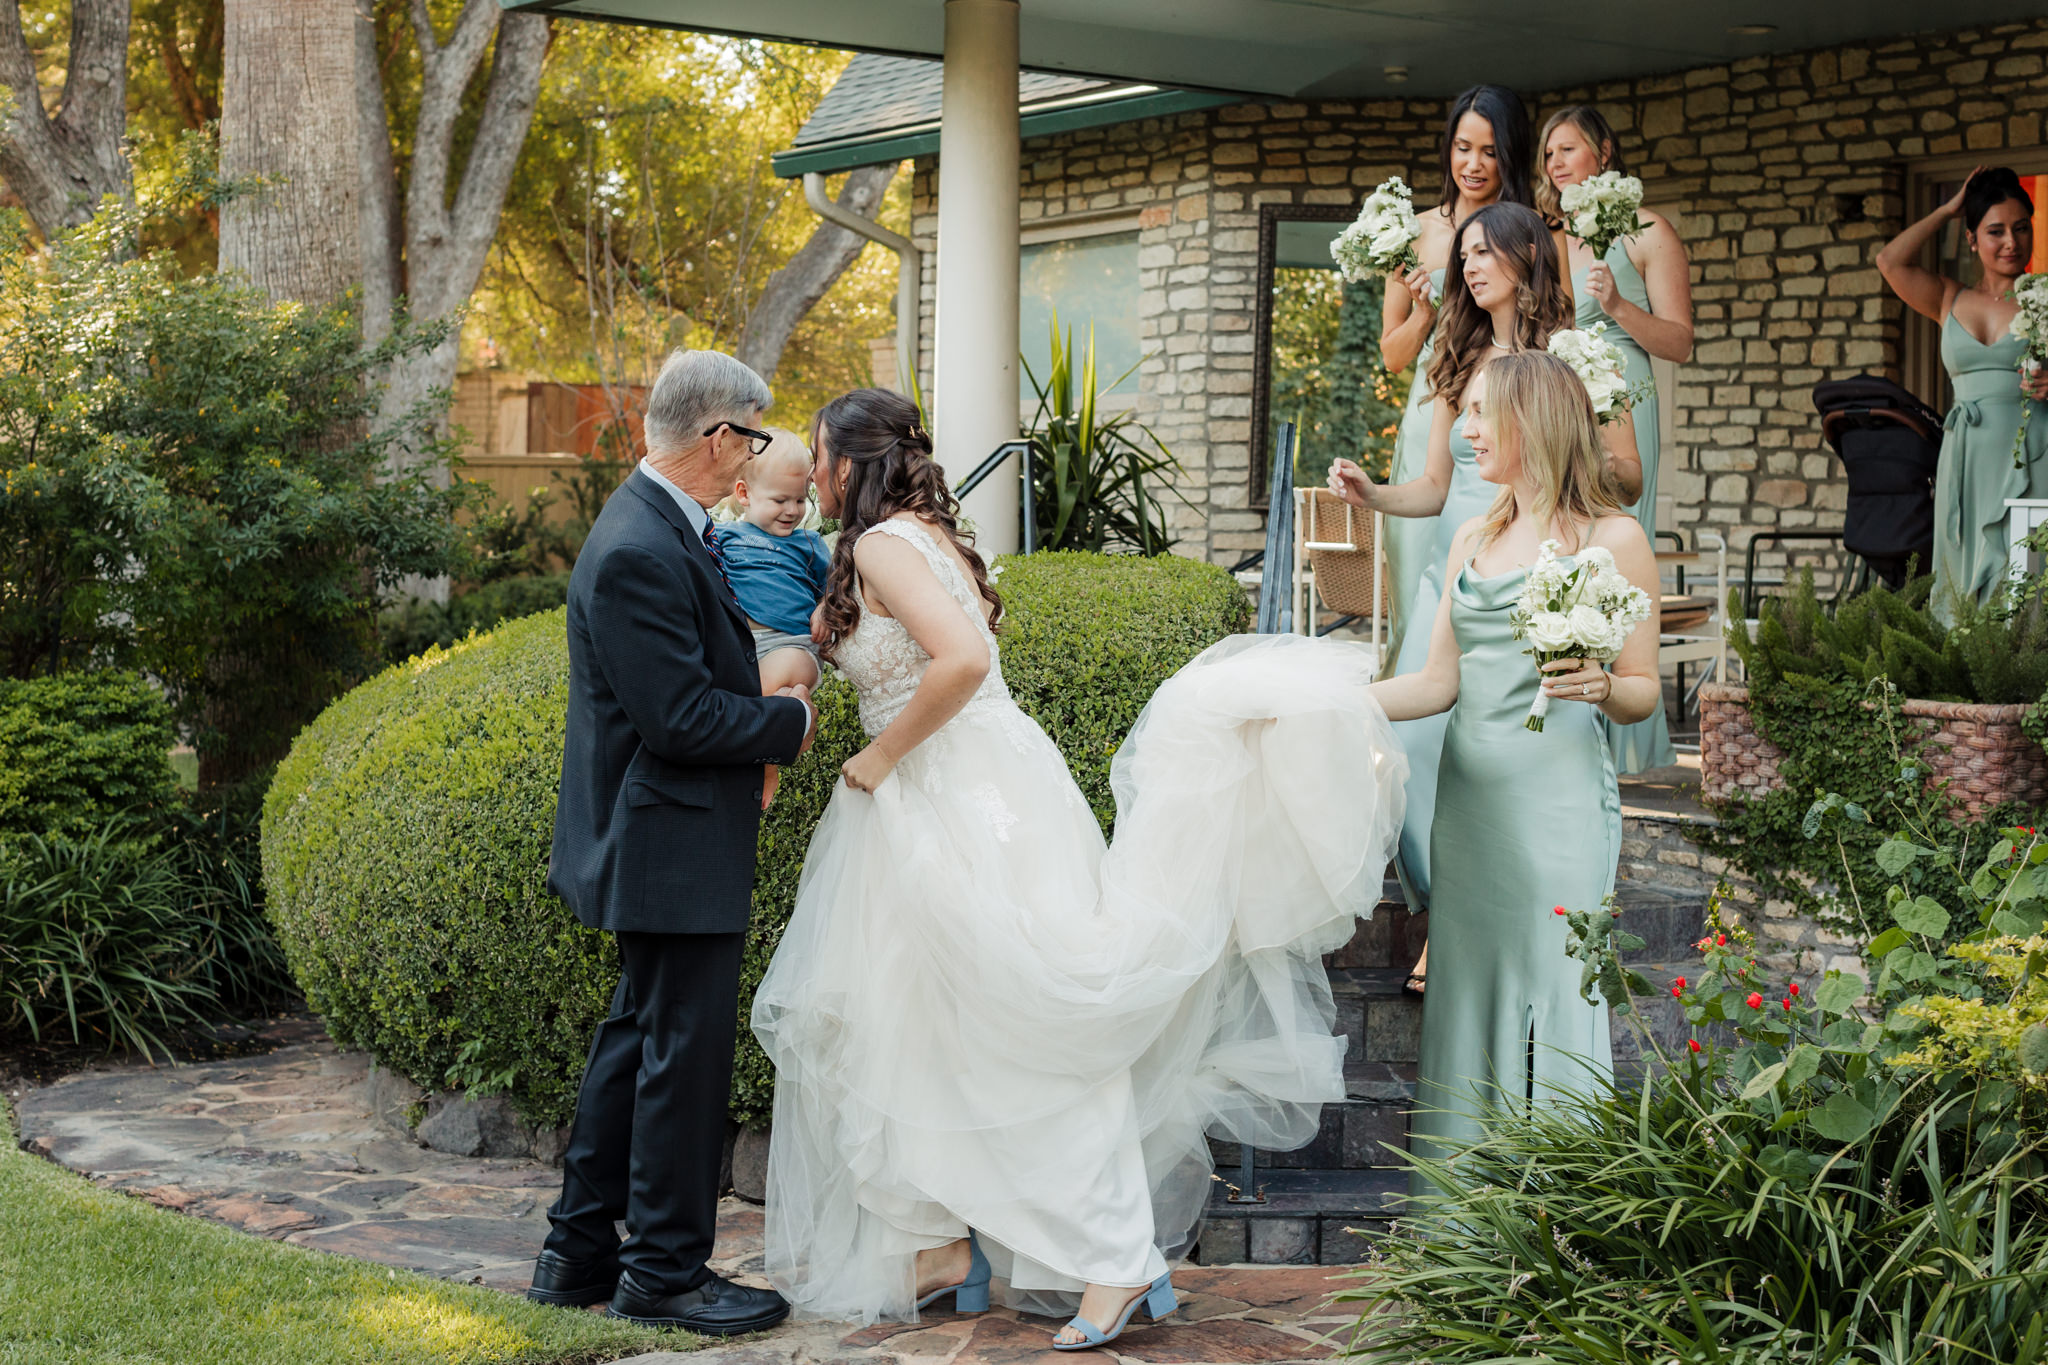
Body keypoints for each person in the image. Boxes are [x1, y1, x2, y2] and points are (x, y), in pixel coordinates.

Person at [750, 388, 1406, 1340]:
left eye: (818, 454)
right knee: (931, 1031)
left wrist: (881, 757)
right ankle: (940, 1244)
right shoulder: (919, 534)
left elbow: (964, 660)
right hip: (957, 794)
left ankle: (1118, 1259)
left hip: (955, 798)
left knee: (1025, 1037)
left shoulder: (889, 543)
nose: (811, 473)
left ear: (850, 464)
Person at [529, 350, 817, 1336]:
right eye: (754, 433)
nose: (758, 453)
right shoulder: (642, 547)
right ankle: (662, 1273)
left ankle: (576, 1255)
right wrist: (791, 725)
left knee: (635, 1044)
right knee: (679, 1060)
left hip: (661, 842)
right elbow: (680, 719)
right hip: (664, 845)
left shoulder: (663, 527)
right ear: (716, 438)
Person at [1365, 351, 1659, 1190]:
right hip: (1470, 804)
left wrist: (1604, 684)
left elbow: (1641, 692)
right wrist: (1337, 704)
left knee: (1559, 991)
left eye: (1485, 413)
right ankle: (1464, 1216)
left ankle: (1564, 1214)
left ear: (1534, 422)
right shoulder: (1472, 534)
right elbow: (1436, 684)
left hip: (1558, 804)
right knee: (1468, 999)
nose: (1466, 429)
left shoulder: (1614, 540)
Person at [1337, 201, 1639, 991]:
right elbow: (1435, 488)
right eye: (1462, 253)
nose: (1467, 266)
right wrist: (1373, 495)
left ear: (1526, 255)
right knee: (1427, 745)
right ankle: (1447, 916)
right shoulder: (1456, 351)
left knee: (1528, 742)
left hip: (1543, 560)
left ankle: (1537, 918)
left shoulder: (1577, 353)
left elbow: (1623, 476)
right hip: (1463, 563)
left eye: (1483, 252)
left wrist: (1571, 466)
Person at [1540, 103, 1692, 773]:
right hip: (1560, 402)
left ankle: (1626, 737)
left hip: (1624, 394)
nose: (1555, 163)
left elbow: (1680, 341)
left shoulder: (1649, 232)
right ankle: (1566, 720)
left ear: (1604, 151)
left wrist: (1621, 306)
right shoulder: (1553, 234)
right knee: (1562, 549)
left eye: (1567, 148)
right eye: (1548, 155)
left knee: (1617, 555)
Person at [1378, 85, 1539, 692]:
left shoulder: (1531, 232)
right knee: (1422, 584)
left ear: (1510, 156)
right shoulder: (1414, 231)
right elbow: (1394, 355)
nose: (1472, 165)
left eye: (1490, 152)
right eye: (1462, 148)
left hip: (1513, 412)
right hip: (1435, 410)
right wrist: (1423, 316)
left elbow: (1556, 320)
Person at [1876, 165, 2048, 614]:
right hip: (1965, 458)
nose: (2011, 242)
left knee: (2024, 583)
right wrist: (1949, 209)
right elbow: (1889, 262)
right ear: (1971, 238)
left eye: (2021, 228)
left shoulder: (2045, 296)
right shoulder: (1947, 297)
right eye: (1995, 231)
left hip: (2031, 455)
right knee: (1961, 589)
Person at [713, 427, 833, 808]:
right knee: (738, 695)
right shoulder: (724, 537)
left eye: (800, 500)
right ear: (744, 494)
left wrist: (826, 606)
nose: (793, 511)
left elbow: (838, 589)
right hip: (745, 646)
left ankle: (766, 761)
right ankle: (781, 729)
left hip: (792, 645)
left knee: (755, 697)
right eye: (780, 499)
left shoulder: (809, 544)